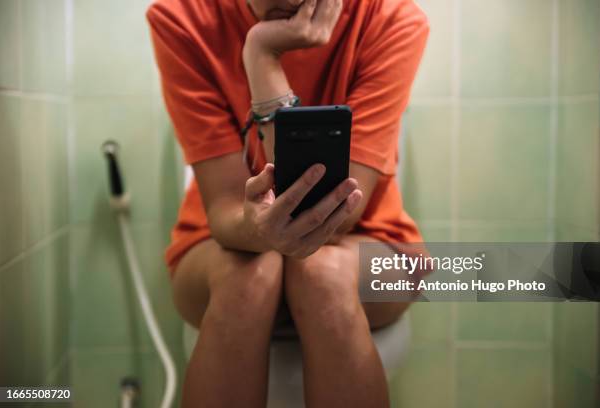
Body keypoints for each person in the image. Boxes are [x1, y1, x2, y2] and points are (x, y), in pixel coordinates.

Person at [146, 0, 429, 406]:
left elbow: (339, 213)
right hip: (222, 247)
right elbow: (225, 207)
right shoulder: (182, 19)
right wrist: (258, 231)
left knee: (323, 276)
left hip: (369, 240)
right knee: (248, 280)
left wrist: (262, 59)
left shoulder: (390, 19)